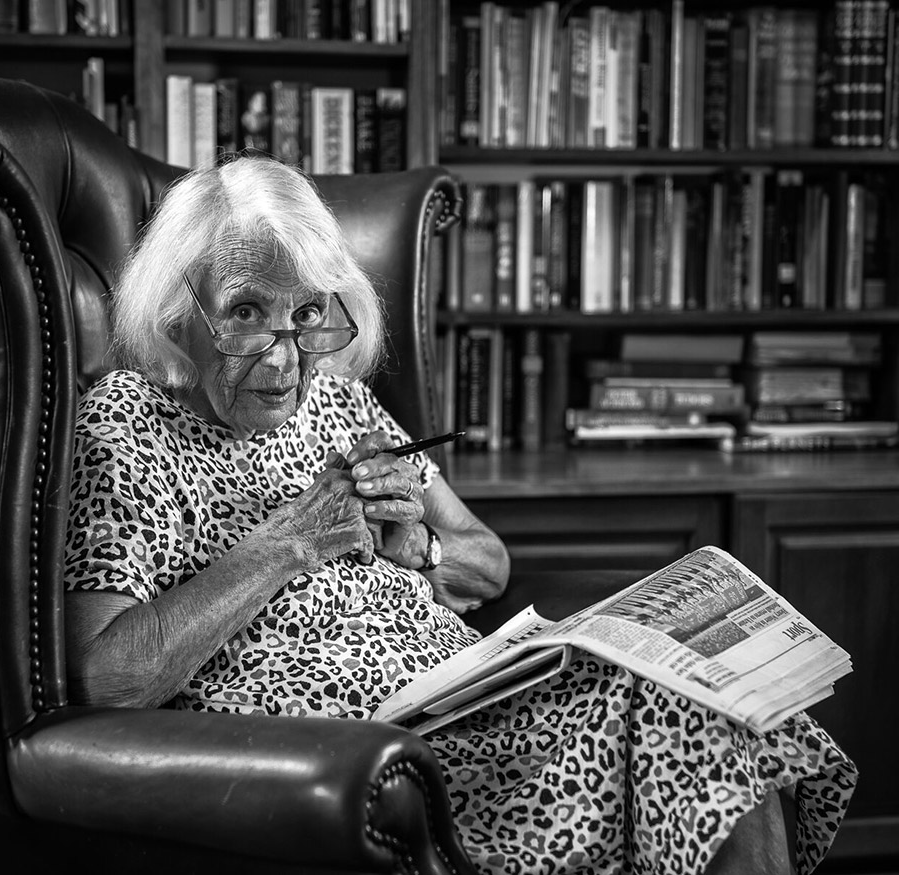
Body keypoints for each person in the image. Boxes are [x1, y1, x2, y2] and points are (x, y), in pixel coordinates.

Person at [63, 155, 856, 875]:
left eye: (306, 315)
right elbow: (108, 677)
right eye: (245, 313)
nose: (283, 359)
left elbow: (488, 561)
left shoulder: (337, 401)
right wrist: (290, 542)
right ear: (176, 314)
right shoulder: (128, 425)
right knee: (699, 725)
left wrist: (418, 547)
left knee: (726, 707)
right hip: (364, 756)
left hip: (464, 697)